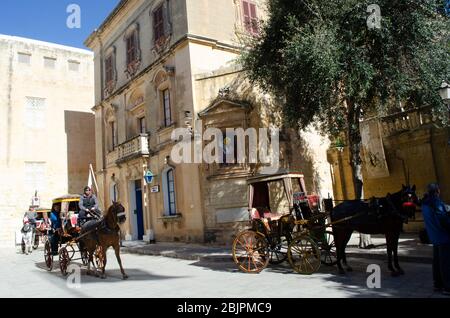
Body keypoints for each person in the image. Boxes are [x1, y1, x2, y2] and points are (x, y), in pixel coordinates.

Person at [421, 183, 450, 296]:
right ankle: (448, 287)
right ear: (437, 191)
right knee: (446, 263)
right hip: (443, 236)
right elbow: (443, 220)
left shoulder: (425, 203)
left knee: (437, 262)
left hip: (434, 236)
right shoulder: (436, 202)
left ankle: (437, 284)